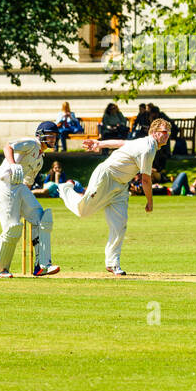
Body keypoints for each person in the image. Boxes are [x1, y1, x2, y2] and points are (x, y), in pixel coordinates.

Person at [58, 118, 172, 276]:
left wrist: (99, 144)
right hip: (106, 177)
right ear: (153, 133)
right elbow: (146, 179)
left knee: (119, 225)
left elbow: (121, 143)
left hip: (121, 187)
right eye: (164, 132)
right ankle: (66, 188)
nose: (167, 136)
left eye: (169, 133)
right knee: (83, 212)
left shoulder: (144, 142)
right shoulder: (148, 147)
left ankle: (113, 263)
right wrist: (150, 202)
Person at [0, 126, 60, 278]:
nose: (53, 139)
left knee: (42, 219)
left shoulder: (40, 161)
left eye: (55, 136)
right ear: (41, 135)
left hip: (19, 187)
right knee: (13, 227)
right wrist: (12, 163)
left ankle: (42, 265)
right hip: (3, 185)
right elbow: (8, 146)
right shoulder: (31, 143)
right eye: (50, 136)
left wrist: (24, 201)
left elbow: (28, 183)